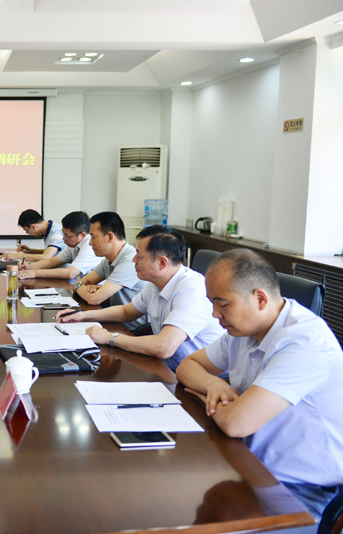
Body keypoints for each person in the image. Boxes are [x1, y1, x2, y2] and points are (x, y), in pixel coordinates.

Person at [176, 249, 343, 518]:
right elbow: (188, 365)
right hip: (250, 463)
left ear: (260, 299)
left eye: (223, 304)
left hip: (303, 490)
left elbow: (236, 423)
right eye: (212, 303)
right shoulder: (243, 329)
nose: (215, 314)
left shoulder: (305, 343)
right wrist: (214, 386)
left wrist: (203, 395)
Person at [58, 225, 223, 370]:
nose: (133, 260)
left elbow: (164, 347)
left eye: (139, 255)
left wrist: (109, 337)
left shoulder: (191, 290)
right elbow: (126, 311)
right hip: (169, 368)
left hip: (201, 379)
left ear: (162, 263)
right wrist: (83, 315)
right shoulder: (157, 283)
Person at [68, 211, 147, 330]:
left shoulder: (130, 259)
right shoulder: (108, 260)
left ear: (110, 236)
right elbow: (83, 282)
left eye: (93, 237)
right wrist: (84, 286)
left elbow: (94, 299)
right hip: (115, 322)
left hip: (134, 331)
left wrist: (81, 286)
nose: (90, 243)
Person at [18, 211, 99, 281]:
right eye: (63, 234)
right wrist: (28, 267)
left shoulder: (89, 247)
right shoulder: (73, 245)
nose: (63, 239)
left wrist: (35, 273)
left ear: (82, 235)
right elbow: (52, 261)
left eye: (67, 236)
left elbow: (70, 273)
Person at [0, 209, 65, 262]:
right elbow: (50, 252)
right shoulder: (49, 230)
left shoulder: (56, 232)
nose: (28, 233)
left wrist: (17, 256)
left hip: (61, 272)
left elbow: (45, 257)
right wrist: (31, 250)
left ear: (33, 226)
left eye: (26, 230)